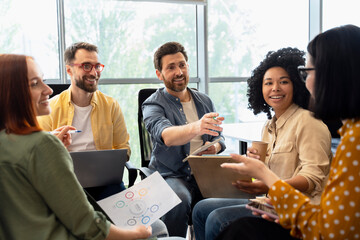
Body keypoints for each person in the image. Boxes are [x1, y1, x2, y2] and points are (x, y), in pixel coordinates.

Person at [217, 24, 360, 240]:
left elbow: (328, 229)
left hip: (306, 212)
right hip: (283, 205)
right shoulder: (270, 126)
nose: (307, 82)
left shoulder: (352, 140)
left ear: (333, 76)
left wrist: (267, 178)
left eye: (307, 72)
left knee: (235, 227)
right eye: (269, 83)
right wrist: (259, 168)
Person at [0, 54, 151, 240]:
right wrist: (138, 234)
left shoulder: (10, 142)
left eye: (43, 81)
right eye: (34, 83)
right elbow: (88, 226)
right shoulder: (43, 143)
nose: (47, 89)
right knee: (154, 230)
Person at [192, 47, 332, 240]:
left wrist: (267, 185)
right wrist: (255, 167)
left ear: (297, 85)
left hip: (296, 209)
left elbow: (312, 179)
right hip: (269, 202)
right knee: (201, 209)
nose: (275, 88)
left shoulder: (309, 122)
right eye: (268, 83)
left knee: (218, 218)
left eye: (284, 82)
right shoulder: (268, 126)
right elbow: (267, 173)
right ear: (261, 88)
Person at [142, 41, 226, 237]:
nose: (179, 72)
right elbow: (167, 135)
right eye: (171, 67)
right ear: (159, 74)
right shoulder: (152, 104)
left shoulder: (204, 100)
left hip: (204, 171)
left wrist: (216, 147)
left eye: (182, 65)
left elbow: (219, 137)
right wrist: (197, 126)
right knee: (178, 198)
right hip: (171, 173)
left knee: (230, 196)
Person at [37, 42, 130, 200]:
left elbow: (124, 149)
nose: (94, 73)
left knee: (124, 212)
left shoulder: (111, 105)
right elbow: (38, 157)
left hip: (106, 184)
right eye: (86, 66)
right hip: (64, 183)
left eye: (97, 66)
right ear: (69, 70)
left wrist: (112, 161)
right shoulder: (49, 108)